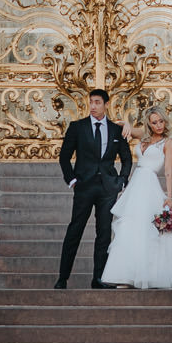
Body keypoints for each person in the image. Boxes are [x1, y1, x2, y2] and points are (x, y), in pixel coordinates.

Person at [101, 108, 172, 290]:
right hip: (136, 184)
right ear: (149, 123)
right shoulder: (144, 137)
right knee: (130, 228)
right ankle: (127, 277)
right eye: (154, 122)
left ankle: (149, 276)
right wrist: (128, 124)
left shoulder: (169, 143)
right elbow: (121, 125)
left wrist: (169, 197)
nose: (158, 125)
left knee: (150, 231)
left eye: (161, 121)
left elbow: (168, 170)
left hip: (150, 185)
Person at [56, 86, 132, 288]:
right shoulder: (77, 127)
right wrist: (72, 180)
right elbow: (64, 157)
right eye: (91, 102)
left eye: (98, 102)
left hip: (108, 188)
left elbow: (127, 158)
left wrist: (122, 181)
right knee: (75, 230)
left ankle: (99, 278)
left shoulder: (116, 130)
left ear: (107, 105)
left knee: (104, 233)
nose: (93, 106)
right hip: (84, 186)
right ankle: (62, 278)